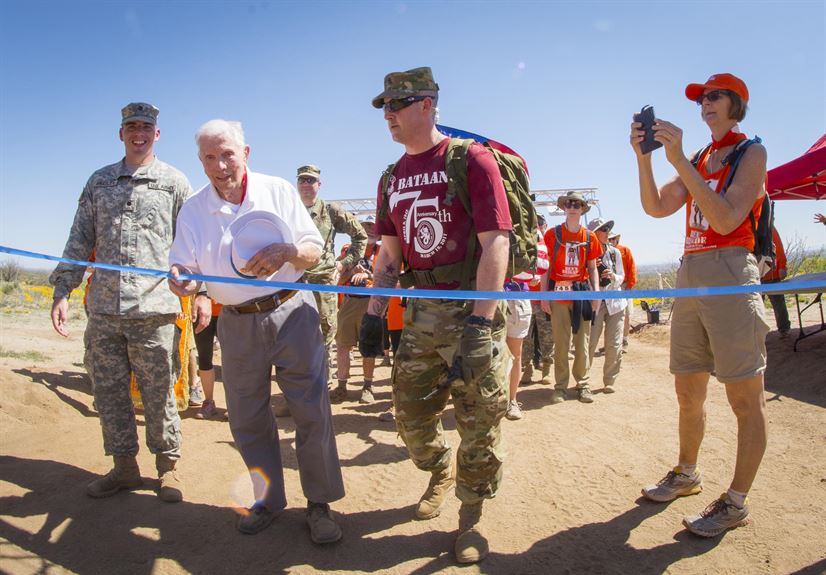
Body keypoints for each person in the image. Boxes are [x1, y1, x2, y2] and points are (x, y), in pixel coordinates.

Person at [360, 66, 511, 564]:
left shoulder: (472, 160)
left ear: (427, 104)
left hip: (471, 306)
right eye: (384, 107)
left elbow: (497, 244)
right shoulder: (390, 177)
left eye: (398, 105)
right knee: (411, 418)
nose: (389, 116)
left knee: (479, 421)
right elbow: (387, 256)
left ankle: (470, 520)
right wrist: (374, 312)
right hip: (422, 311)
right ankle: (438, 468)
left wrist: (481, 324)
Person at [168, 119, 344, 544]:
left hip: (292, 311)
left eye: (227, 154)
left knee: (310, 410)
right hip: (237, 323)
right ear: (201, 161)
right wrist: (182, 279)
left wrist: (288, 251)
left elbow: (313, 248)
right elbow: (183, 268)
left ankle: (319, 504)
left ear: (245, 153)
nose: (220, 165)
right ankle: (267, 500)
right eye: (210, 157)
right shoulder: (193, 209)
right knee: (247, 417)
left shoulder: (278, 190)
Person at [631, 73, 770, 537]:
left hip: (731, 271)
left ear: (736, 103)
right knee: (687, 391)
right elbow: (655, 207)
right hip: (691, 271)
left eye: (713, 97)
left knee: (744, 399)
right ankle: (687, 473)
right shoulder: (701, 156)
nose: (704, 104)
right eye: (700, 99)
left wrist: (678, 161)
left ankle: (736, 501)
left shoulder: (752, 151)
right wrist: (644, 159)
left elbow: (727, 218)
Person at [49, 102, 192, 502]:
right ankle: (124, 467)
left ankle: (169, 468)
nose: (138, 132)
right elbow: (79, 239)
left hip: (154, 310)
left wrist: (199, 294)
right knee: (108, 392)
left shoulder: (175, 183)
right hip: (105, 310)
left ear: (157, 134)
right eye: (131, 126)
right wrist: (63, 290)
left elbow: (193, 243)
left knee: (159, 392)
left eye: (146, 126)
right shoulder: (100, 182)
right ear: (121, 133)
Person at [297, 164, 368, 380]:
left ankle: (322, 389)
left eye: (311, 180)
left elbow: (360, 236)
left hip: (322, 282)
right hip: (294, 283)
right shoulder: (290, 210)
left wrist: (343, 264)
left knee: (324, 336)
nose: (306, 184)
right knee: (294, 338)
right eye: (302, 180)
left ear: (319, 184)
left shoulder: (331, 211)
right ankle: (297, 394)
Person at [540, 191, 602, 404]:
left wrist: (597, 293)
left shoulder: (589, 237)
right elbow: (544, 268)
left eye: (577, 204)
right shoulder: (551, 234)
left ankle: (583, 384)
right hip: (558, 294)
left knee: (582, 341)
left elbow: (593, 268)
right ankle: (560, 387)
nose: (573, 206)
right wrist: (544, 296)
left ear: (583, 208)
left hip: (582, 293)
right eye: (569, 203)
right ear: (563, 208)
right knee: (561, 342)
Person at [334, 214, 380, 404]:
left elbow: (391, 281)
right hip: (349, 302)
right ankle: (341, 387)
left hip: (372, 303)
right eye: (365, 225)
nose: (369, 229)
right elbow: (337, 280)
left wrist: (369, 275)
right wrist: (351, 272)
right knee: (343, 346)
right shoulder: (348, 252)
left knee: (368, 348)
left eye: (373, 226)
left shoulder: (384, 252)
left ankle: (367, 387)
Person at [587, 218, 626, 394]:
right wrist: (590, 269)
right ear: (594, 233)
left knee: (614, 343)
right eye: (603, 229)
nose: (607, 231)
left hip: (615, 303)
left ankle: (609, 380)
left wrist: (613, 276)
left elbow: (622, 276)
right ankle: (583, 380)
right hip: (594, 303)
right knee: (590, 343)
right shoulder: (586, 253)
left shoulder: (614, 253)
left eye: (608, 228)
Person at [520, 214, 553, 384]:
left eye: (540, 224)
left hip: (542, 299)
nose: (538, 227)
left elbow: (548, 269)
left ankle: (546, 368)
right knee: (526, 337)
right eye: (535, 224)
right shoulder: (524, 240)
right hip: (526, 296)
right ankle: (527, 369)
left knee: (546, 335)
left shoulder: (547, 243)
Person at [504, 279, 532, 420]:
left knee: (515, 355)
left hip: (517, 298)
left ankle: (512, 401)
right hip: (488, 297)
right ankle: (489, 402)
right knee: (487, 353)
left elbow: (538, 270)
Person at [193, 297, 223, 418]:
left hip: (228, 311)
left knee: (232, 359)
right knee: (204, 358)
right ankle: (208, 402)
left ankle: (234, 404)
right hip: (201, 312)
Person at [608, 230, 637, 349]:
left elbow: (632, 268)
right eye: (609, 239)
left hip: (624, 285)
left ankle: (624, 339)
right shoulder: (603, 251)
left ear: (617, 239)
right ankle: (612, 342)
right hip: (609, 287)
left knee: (627, 314)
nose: (611, 241)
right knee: (610, 315)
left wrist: (629, 285)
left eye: (613, 239)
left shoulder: (625, 250)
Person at [760, 226, 790, 337]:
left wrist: (782, 266)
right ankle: (759, 332)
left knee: (779, 304)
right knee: (756, 306)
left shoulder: (769, 227)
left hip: (772, 274)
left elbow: (778, 246)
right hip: (755, 276)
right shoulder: (748, 226)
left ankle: (784, 329)